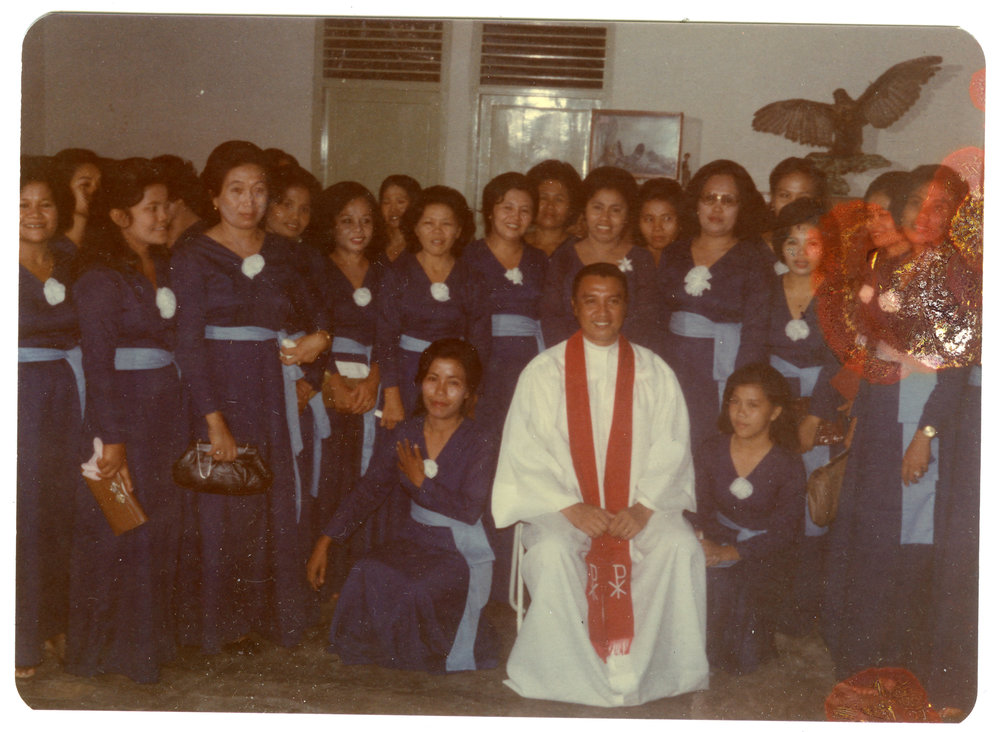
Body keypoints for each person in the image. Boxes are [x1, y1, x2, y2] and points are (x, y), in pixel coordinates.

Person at [492, 262, 708, 707]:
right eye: (591, 300)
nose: (602, 311)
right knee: (552, 551)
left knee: (679, 546)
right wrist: (572, 507)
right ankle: (567, 675)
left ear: (626, 306)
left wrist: (644, 508)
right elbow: (524, 451)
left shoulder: (654, 371)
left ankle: (651, 671)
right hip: (563, 508)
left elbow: (673, 446)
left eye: (613, 300)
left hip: (640, 507)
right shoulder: (543, 371)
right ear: (574, 306)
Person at [170, 140, 332, 654]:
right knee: (222, 506)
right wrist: (213, 420)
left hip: (270, 387)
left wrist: (317, 345)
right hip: (217, 388)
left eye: (259, 191)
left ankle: (273, 617)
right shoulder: (192, 254)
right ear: (214, 197)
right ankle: (222, 624)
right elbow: (187, 342)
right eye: (236, 190)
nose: (249, 202)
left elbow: (318, 321)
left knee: (274, 501)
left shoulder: (287, 253)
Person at [65, 158, 186, 684]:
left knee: (158, 526)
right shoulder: (99, 278)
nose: (164, 215)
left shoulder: (163, 265)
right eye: (151, 208)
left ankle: (149, 642)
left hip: (164, 412)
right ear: (117, 216)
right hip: (123, 415)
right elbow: (96, 365)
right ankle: (112, 652)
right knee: (121, 528)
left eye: (166, 205)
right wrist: (111, 439)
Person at [307, 339, 498, 673]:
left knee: (417, 587)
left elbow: (470, 509)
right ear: (420, 381)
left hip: (459, 547)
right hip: (415, 538)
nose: (440, 391)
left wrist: (422, 482)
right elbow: (368, 491)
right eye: (432, 378)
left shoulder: (480, 439)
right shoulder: (406, 432)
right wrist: (326, 539)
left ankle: (425, 652)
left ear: (468, 392)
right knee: (367, 569)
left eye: (453, 383)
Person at [685, 363, 806, 675]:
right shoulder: (711, 449)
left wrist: (735, 551)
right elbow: (696, 505)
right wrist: (706, 540)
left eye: (753, 405)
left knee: (747, 658)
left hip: (764, 553)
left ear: (775, 412)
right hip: (717, 539)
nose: (740, 413)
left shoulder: (788, 464)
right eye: (735, 402)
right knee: (714, 581)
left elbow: (786, 532)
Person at [461, 171, 547, 600]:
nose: (516, 216)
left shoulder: (540, 261)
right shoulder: (469, 257)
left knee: (527, 467)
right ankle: (486, 576)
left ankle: (522, 575)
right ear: (489, 210)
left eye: (525, 209)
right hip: (486, 371)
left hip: (530, 371)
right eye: (507, 207)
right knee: (486, 466)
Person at [764, 197, 844, 635]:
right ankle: (770, 608)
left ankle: (806, 611)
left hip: (820, 402)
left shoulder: (836, 291)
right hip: (774, 401)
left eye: (810, 242)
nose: (799, 252)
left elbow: (839, 356)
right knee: (776, 496)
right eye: (790, 242)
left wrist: (816, 414)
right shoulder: (767, 286)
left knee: (815, 502)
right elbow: (754, 348)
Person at [656, 159, 774, 450]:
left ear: (742, 207)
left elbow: (757, 331)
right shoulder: (674, 251)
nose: (717, 208)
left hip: (724, 370)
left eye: (728, 200)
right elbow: (656, 317)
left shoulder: (755, 256)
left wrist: (741, 390)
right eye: (710, 198)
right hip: (672, 366)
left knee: (712, 448)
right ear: (696, 204)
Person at [16, 156, 81, 679]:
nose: (34, 213)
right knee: (17, 517)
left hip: (62, 393)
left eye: (45, 203)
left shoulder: (70, 258)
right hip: (13, 395)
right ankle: (15, 638)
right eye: (21, 204)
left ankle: (53, 620)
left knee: (59, 511)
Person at [310, 180, 387, 585]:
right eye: (346, 221)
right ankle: (324, 571)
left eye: (366, 221)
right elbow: (308, 329)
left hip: (370, 386)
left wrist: (375, 379)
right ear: (331, 225)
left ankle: (356, 575)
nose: (358, 229)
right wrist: (331, 380)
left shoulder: (384, 272)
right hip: (331, 385)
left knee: (366, 476)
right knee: (331, 475)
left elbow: (391, 333)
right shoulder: (316, 268)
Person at [373, 185, 490, 429]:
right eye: (428, 223)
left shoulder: (472, 276)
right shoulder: (398, 273)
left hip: (453, 380)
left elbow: (480, 340)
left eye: (446, 224)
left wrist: (473, 390)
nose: (437, 232)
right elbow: (385, 338)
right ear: (415, 227)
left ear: (459, 230)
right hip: (406, 375)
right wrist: (391, 394)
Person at [539, 165, 658, 350]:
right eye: (597, 208)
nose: (605, 218)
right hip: (570, 357)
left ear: (627, 215)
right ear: (584, 210)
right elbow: (552, 317)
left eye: (615, 210)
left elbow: (647, 321)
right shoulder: (564, 257)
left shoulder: (642, 259)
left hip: (627, 358)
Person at [524, 159, 583, 257]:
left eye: (559, 199)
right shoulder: (516, 244)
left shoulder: (581, 249)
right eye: (543, 198)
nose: (550, 206)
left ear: (571, 207)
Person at [152, 154, 210, 247]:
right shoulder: (161, 238)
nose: (159, 214)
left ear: (180, 199)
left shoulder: (205, 239)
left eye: (164, 205)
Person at [51, 148, 103, 251]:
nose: (95, 191)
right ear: (64, 187)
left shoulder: (100, 243)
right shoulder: (52, 246)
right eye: (85, 184)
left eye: (99, 185)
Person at [263, 164, 321, 246]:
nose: (295, 217)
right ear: (266, 204)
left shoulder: (309, 255)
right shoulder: (250, 250)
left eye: (304, 209)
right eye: (287, 205)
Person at [378, 174, 421, 264]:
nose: (393, 209)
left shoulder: (422, 244)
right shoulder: (374, 245)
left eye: (400, 202)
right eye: (386, 202)